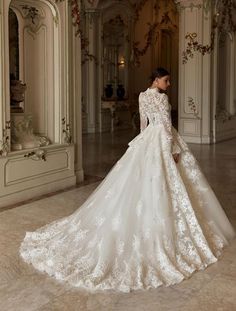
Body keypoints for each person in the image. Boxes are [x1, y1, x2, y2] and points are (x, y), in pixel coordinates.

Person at [20, 67, 235, 293]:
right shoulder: (161, 99)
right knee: (166, 181)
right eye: (166, 80)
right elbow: (164, 125)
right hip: (161, 139)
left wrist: (142, 143)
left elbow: (143, 125)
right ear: (156, 80)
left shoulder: (142, 96)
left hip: (147, 139)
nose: (168, 84)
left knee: (140, 180)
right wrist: (172, 148)